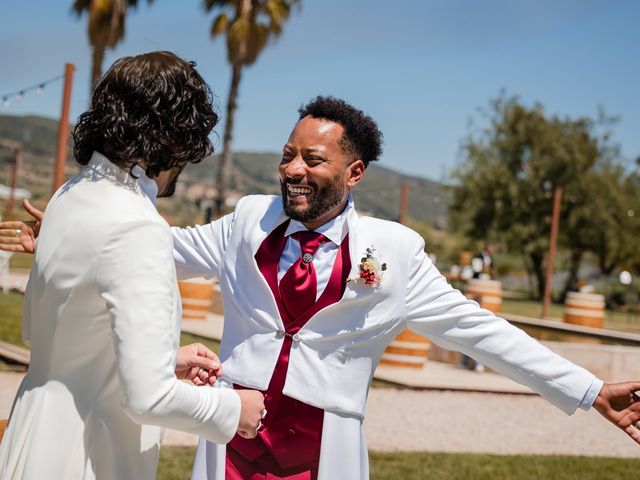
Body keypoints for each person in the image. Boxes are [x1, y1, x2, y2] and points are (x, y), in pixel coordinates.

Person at [2, 96, 639, 480]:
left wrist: (587, 392)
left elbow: (482, 330)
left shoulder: (394, 253)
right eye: (287, 154)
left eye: (313, 159)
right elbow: (159, 250)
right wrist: (65, 235)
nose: (292, 170)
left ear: (353, 172)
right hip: (230, 441)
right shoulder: (246, 219)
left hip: (320, 452)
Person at [0, 51, 265, 480]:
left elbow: (42, 332)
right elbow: (149, 397)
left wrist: (164, 357)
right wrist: (235, 410)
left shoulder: (68, 195)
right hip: (88, 453)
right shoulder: (139, 227)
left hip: (31, 433)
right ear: (176, 137)